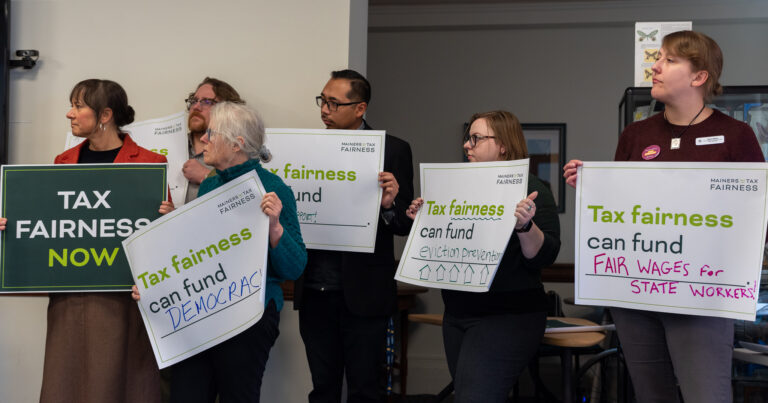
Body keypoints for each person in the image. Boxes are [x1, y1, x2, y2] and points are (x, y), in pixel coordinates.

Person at [563, 31, 762, 403]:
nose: (655, 67)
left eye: (669, 60)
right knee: (651, 395)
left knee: (706, 395)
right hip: (636, 294)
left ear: (699, 76)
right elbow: (623, 210)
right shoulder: (636, 134)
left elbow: (757, 216)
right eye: (658, 58)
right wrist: (593, 188)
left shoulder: (735, 135)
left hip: (702, 296)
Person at [4, 79, 172, 403]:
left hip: (123, 301)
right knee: (66, 382)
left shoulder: (150, 163)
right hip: (70, 296)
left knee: (121, 384)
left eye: (78, 106)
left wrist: (170, 218)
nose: (70, 113)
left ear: (105, 115)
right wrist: (11, 227)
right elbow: (49, 223)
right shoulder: (63, 160)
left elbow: (163, 239)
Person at [134, 101, 307, 402]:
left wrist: (275, 228)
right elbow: (199, 256)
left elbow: (294, 268)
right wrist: (156, 284)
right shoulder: (210, 186)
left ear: (236, 144)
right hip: (201, 315)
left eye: (211, 134)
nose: (203, 139)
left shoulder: (274, 189)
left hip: (249, 319)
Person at [406, 110, 560, 402]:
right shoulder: (456, 187)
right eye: (468, 138)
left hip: (508, 316)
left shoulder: (532, 189)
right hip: (457, 313)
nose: (467, 145)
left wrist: (525, 226)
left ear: (502, 144)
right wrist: (425, 222)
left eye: (476, 138)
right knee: (467, 394)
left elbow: (543, 256)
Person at [293, 69, 414, 402]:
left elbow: (403, 224)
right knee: (323, 389)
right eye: (322, 101)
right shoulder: (305, 149)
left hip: (364, 293)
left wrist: (388, 206)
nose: (324, 110)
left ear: (360, 108)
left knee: (365, 390)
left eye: (334, 103)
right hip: (314, 290)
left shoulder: (393, 150)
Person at [182, 77, 245, 203]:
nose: (196, 107)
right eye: (194, 100)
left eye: (207, 101)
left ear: (227, 111)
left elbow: (247, 196)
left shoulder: (236, 150)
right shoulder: (171, 146)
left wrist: (206, 176)